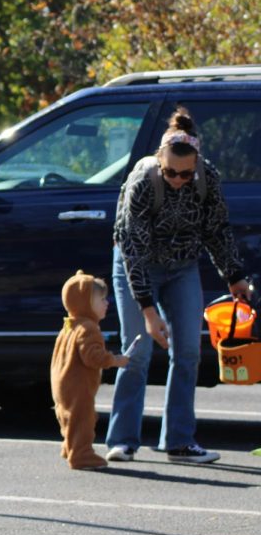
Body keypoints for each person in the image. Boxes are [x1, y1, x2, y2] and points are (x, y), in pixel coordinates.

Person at [107, 107, 249, 465]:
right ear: (159, 160)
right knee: (137, 352)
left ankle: (179, 442)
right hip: (137, 268)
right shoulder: (144, 181)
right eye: (170, 171)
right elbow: (134, 250)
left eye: (185, 174)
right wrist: (148, 311)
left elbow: (217, 230)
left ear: (196, 164)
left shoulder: (206, 177)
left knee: (187, 352)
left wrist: (234, 277)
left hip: (183, 267)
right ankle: (123, 440)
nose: (177, 179)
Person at [50, 271, 129, 471]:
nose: (107, 303)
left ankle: (70, 447)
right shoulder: (88, 328)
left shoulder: (70, 325)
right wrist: (115, 360)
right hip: (79, 384)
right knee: (84, 419)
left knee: (68, 416)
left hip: (62, 382)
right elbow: (92, 357)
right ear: (86, 303)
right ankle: (82, 455)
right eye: (101, 299)